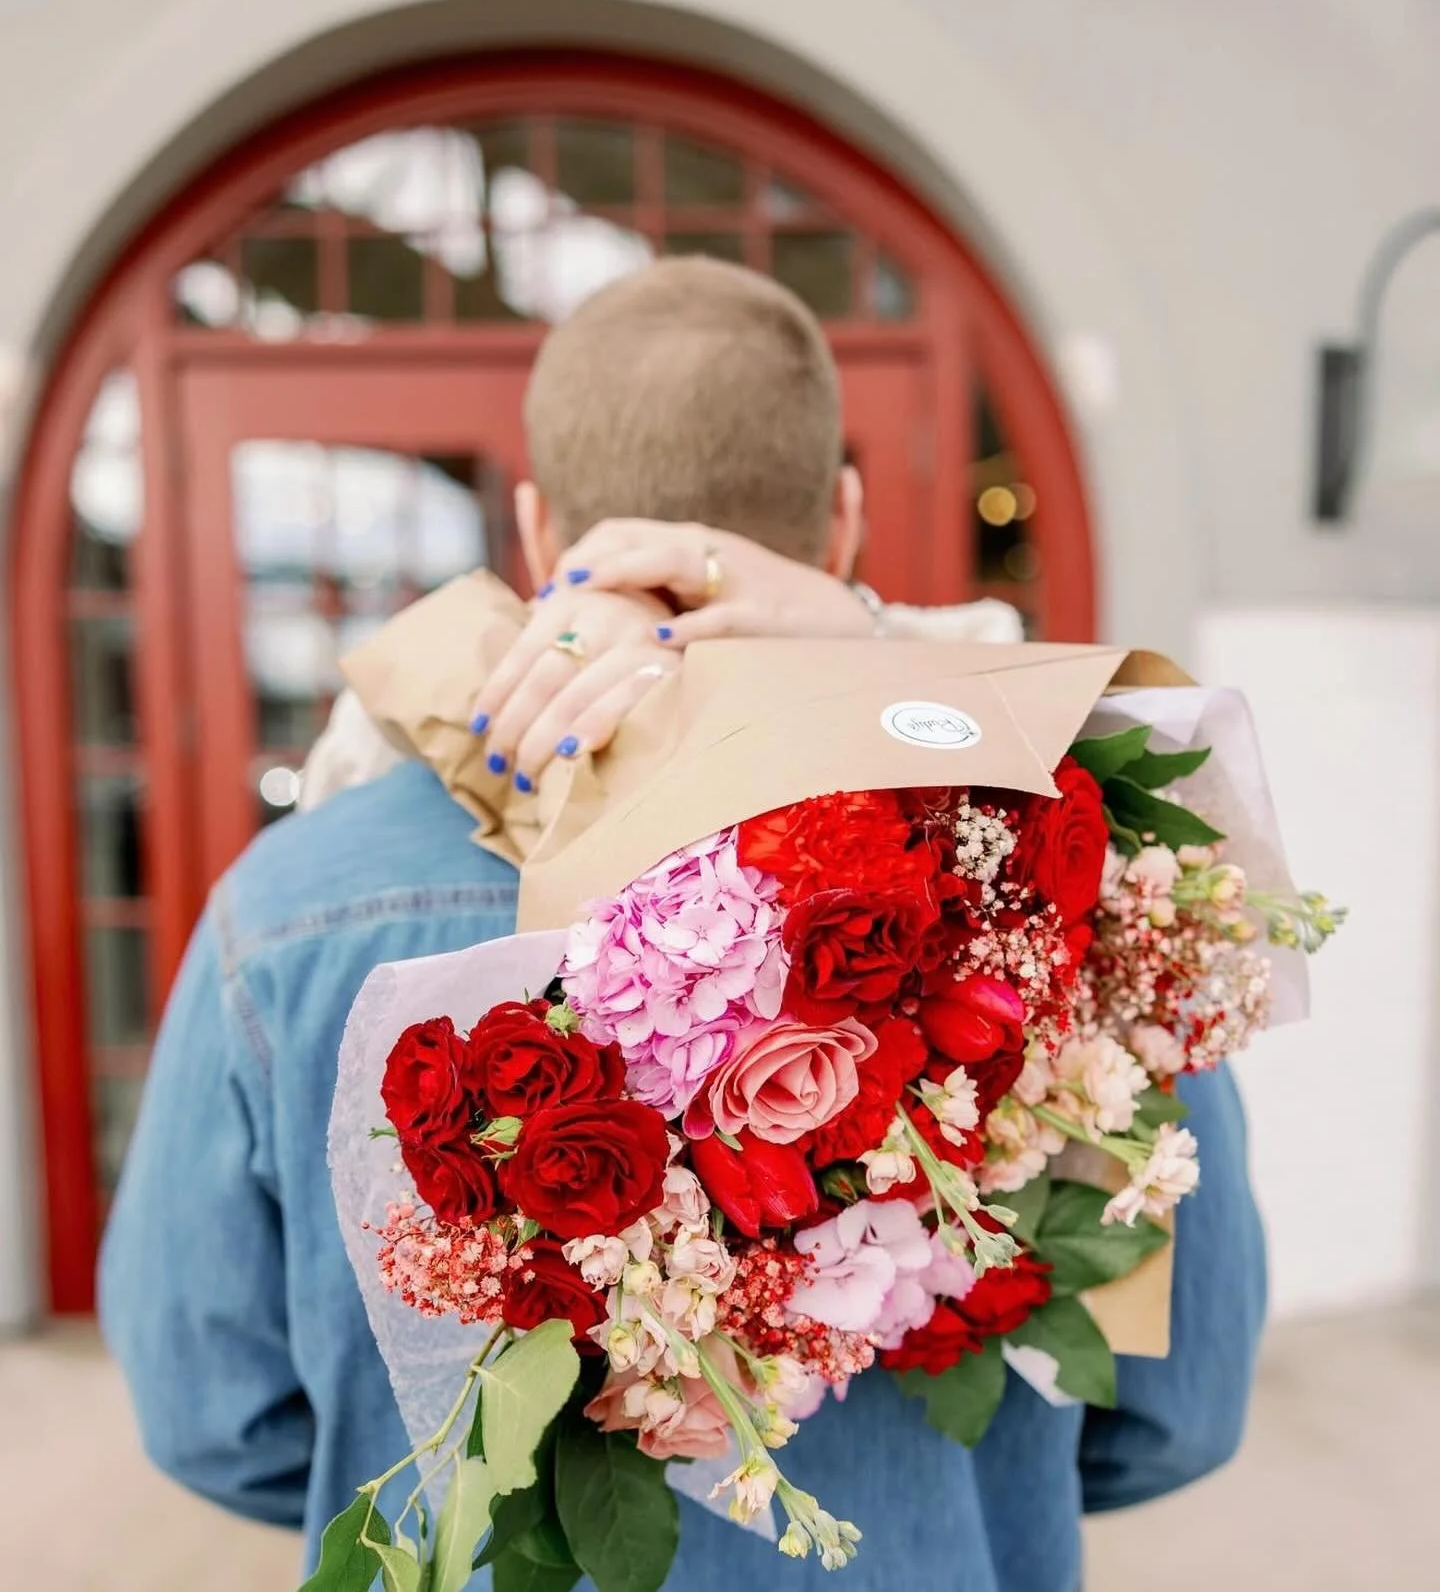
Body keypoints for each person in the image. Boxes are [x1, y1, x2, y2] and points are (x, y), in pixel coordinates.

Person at [99, 259, 1265, 1592]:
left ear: (537, 531)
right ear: (841, 524)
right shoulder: (1057, 889)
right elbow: (1178, 1402)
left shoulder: (289, 907)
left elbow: (215, 1415)